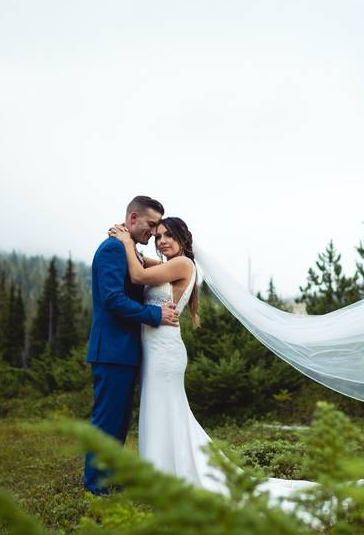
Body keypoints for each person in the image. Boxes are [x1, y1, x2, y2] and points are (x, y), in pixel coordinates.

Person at [108, 217, 320, 512]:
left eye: (168, 235)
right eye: (158, 237)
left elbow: (139, 277)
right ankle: (163, 473)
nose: (162, 241)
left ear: (183, 238)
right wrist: (135, 248)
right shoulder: (168, 264)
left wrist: (128, 242)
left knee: (164, 410)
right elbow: (146, 264)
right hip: (156, 350)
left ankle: (164, 477)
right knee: (164, 412)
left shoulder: (182, 264)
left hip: (164, 353)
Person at [84, 196, 179, 495]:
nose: (153, 233)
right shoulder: (113, 248)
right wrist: (155, 314)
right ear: (133, 218)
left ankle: (107, 477)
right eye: (151, 226)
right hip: (112, 350)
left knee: (118, 420)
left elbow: (144, 273)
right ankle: (96, 486)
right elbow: (113, 299)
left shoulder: (129, 250)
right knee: (107, 419)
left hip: (124, 351)